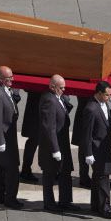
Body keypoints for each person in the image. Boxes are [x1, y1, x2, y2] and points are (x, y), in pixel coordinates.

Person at [0, 66, 24, 208]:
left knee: (0, 168)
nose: (12, 80)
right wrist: (0, 141)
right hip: (4, 139)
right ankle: (10, 199)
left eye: (12, 76)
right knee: (12, 170)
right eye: (9, 78)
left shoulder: (3, 90)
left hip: (7, 137)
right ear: (0, 79)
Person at [39, 74, 80, 212]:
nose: (64, 90)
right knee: (49, 175)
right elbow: (49, 127)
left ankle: (65, 201)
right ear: (52, 87)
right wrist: (55, 149)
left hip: (62, 144)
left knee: (65, 173)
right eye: (61, 88)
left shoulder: (57, 97)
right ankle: (49, 203)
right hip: (53, 146)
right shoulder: (49, 100)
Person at [81, 81, 111, 218]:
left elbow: (107, 122)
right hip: (97, 149)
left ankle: (96, 205)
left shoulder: (104, 104)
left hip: (105, 146)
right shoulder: (91, 109)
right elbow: (87, 133)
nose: (109, 97)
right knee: (103, 178)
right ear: (99, 93)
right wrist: (88, 153)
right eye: (107, 95)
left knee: (98, 177)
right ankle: (105, 207)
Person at [19, 91, 41, 182]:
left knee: (34, 141)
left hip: (37, 111)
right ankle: (26, 170)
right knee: (33, 141)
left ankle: (26, 169)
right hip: (35, 112)